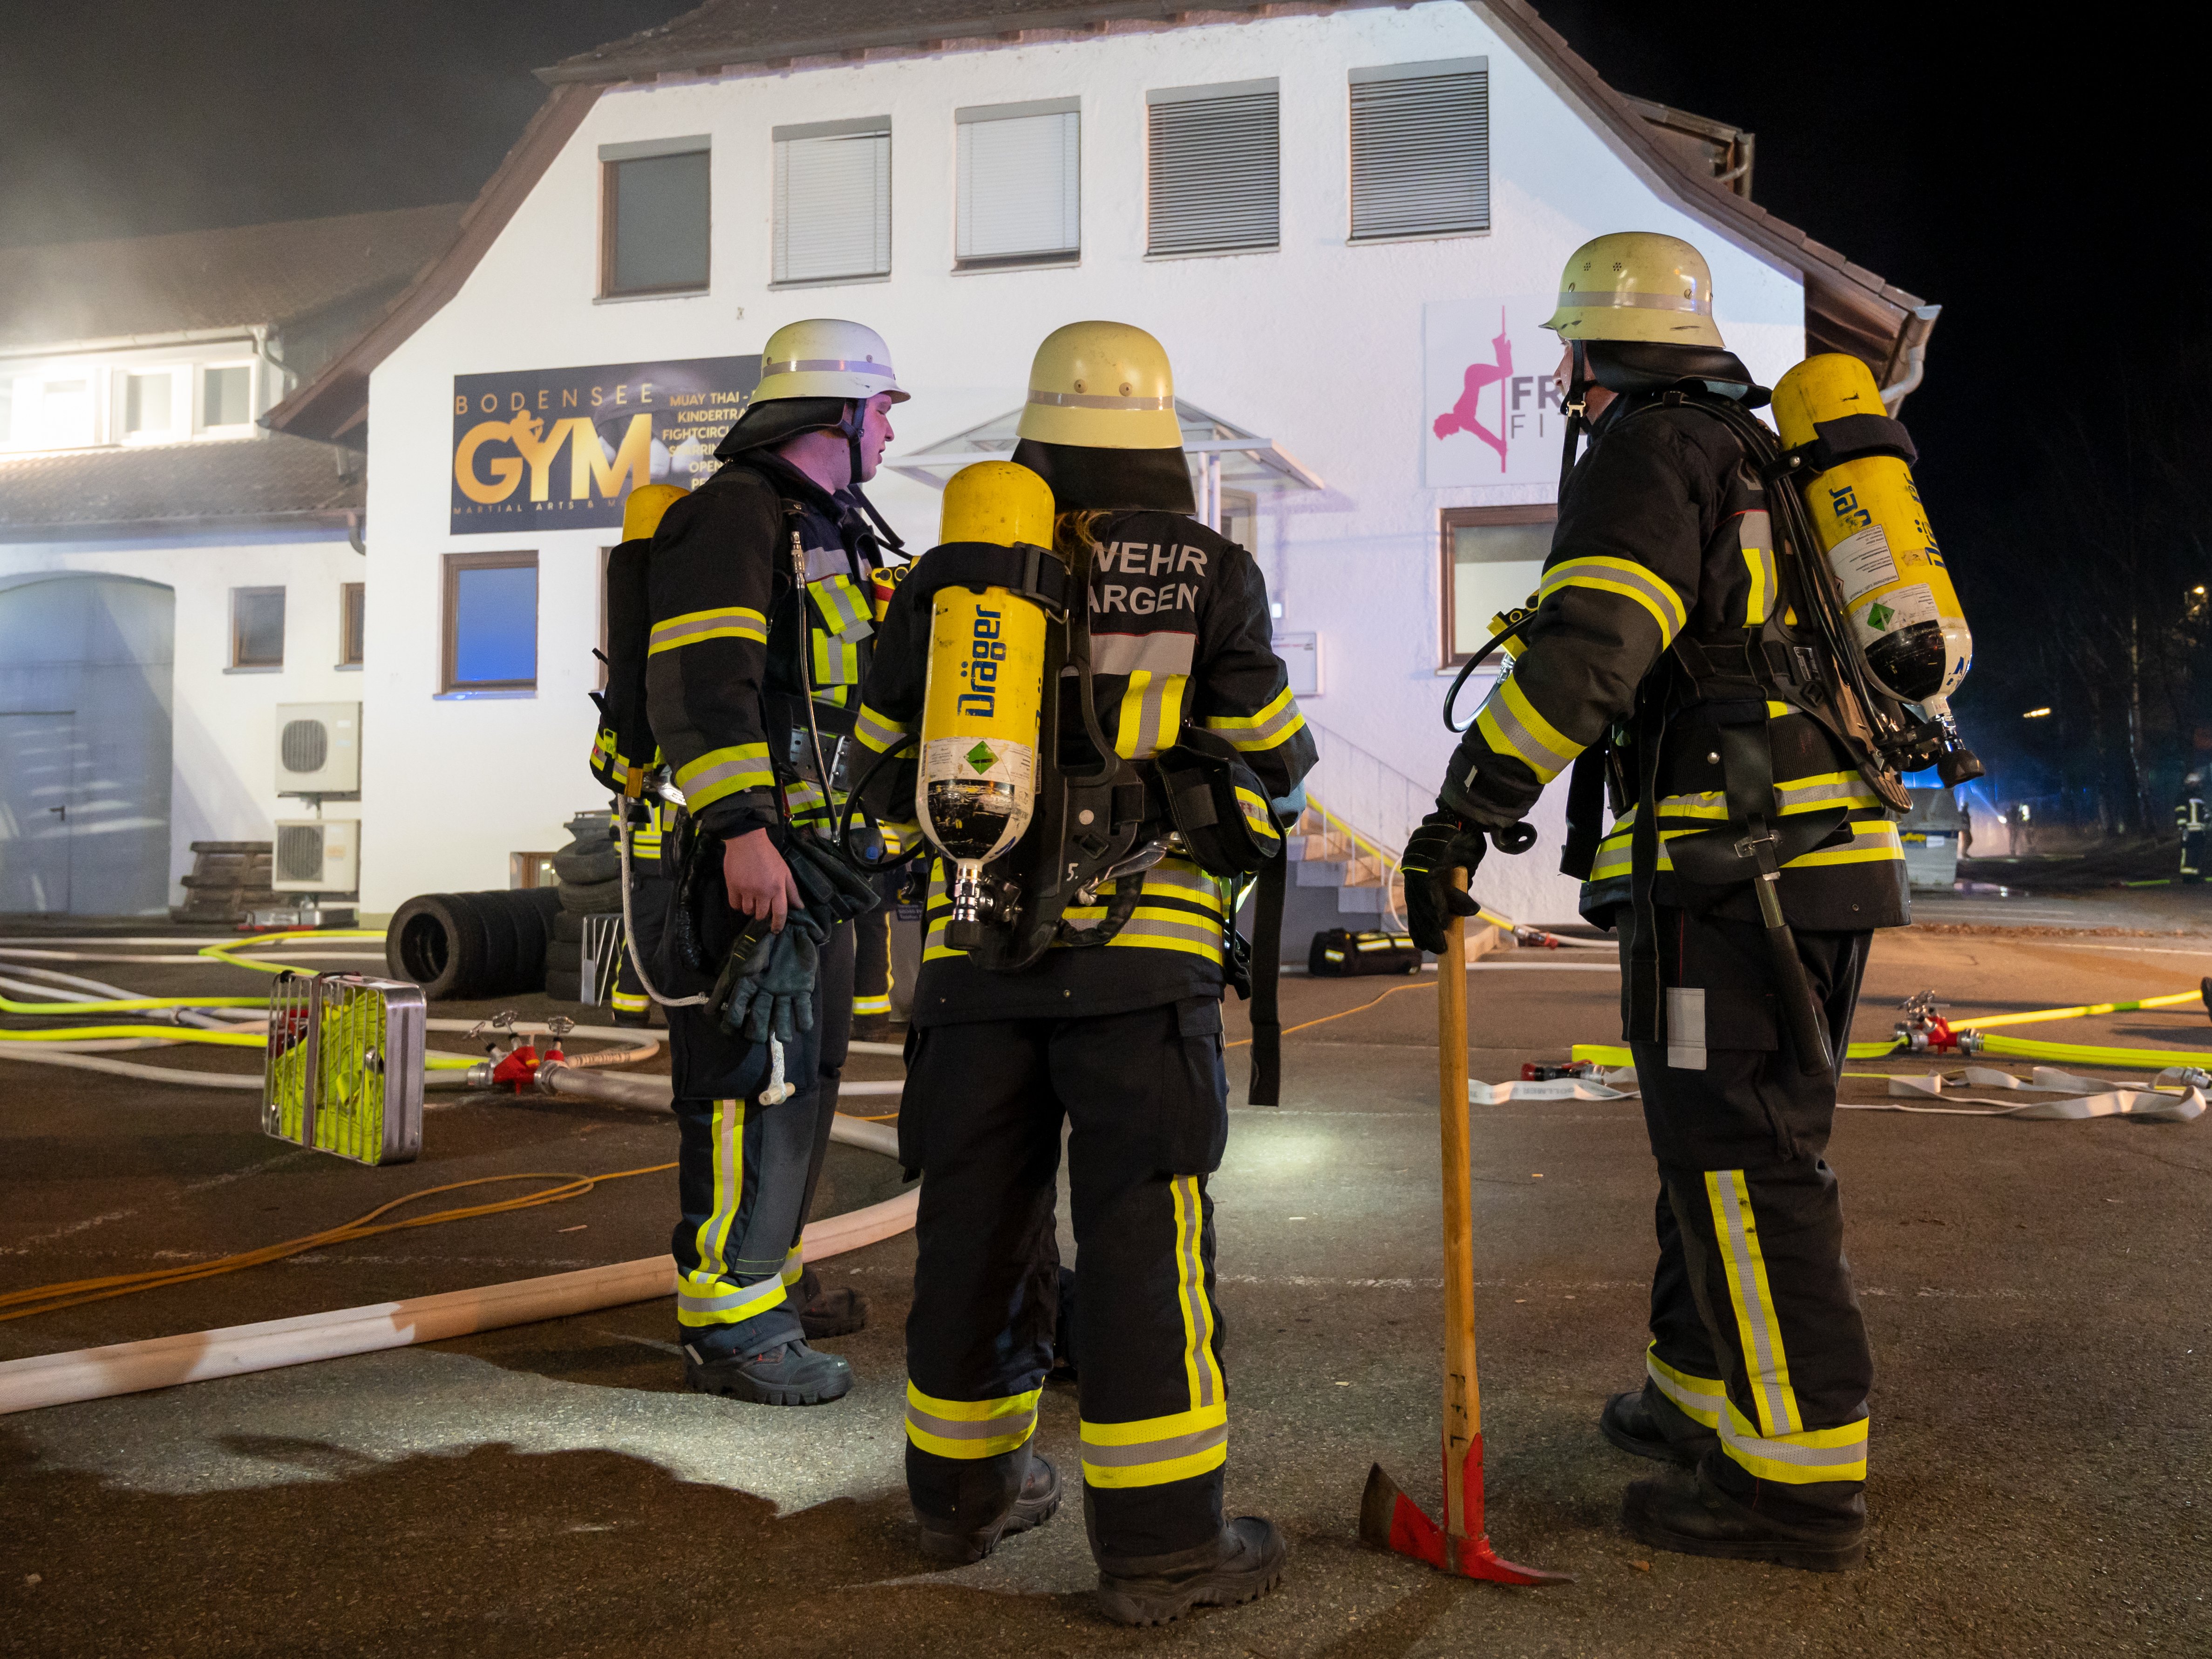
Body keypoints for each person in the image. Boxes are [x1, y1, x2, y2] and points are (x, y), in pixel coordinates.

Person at [1401, 233, 1909, 1572]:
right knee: (1715, 1136)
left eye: (1566, 354)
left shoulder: (1648, 451)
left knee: (1742, 1152)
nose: (1561, 382)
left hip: (1734, 876)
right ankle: (1695, 1391)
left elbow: (1592, 646)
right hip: (1806, 861)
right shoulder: (1752, 454)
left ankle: (1796, 1479)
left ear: (1594, 354)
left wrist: (1464, 809)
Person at [854, 323, 1317, 1623]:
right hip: (1139, 966)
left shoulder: (952, 582)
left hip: (968, 964)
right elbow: (1273, 758)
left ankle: (957, 1502)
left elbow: (875, 766)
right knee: (1139, 1238)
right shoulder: (1211, 571)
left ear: (1035, 440)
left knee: (973, 1232)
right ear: (1160, 442)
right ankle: (1165, 1547)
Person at [641, 318, 906, 1405]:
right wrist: (744, 827)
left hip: (819, 867)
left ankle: (771, 1273)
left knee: (805, 1075)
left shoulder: (820, 527)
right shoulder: (734, 517)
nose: (891, 425)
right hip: (759, 865)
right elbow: (705, 683)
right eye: (883, 406)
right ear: (835, 413)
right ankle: (732, 1324)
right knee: (750, 1080)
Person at [2176, 773, 2205, 884]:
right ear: (2190, 784)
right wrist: (2183, 828)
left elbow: (2203, 814)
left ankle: (2195, 875)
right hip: (2189, 830)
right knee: (2188, 854)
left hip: (2199, 831)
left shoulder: (2199, 798)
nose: (2198, 785)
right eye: (2196, 783)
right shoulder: (2183, 797)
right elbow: (2180, 812)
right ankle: (2187, 877)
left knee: (2197, 854)